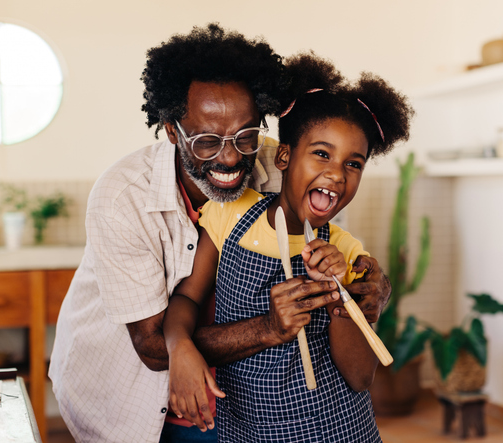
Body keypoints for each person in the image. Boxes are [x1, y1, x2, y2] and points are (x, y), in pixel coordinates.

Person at [49, 24, 392, 443]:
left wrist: (370, 285)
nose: (230, 157)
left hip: (243, 411)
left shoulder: (281, 161)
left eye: (246, 135)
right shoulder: (123, 195)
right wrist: (270, 327)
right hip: (136, 396)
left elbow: (329, 235)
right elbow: (155, 347)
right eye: (207, 141)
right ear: (173, 131)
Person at [162, 52, 414, 442]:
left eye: (354, 163)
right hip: (249, 429)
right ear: (284, 156)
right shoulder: (231, 213)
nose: (336, 172)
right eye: (321, 153)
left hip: (339, 428)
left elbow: (361, 376)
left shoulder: (346, 251)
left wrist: (339, 296)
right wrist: (179, 348)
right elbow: (188, 300)